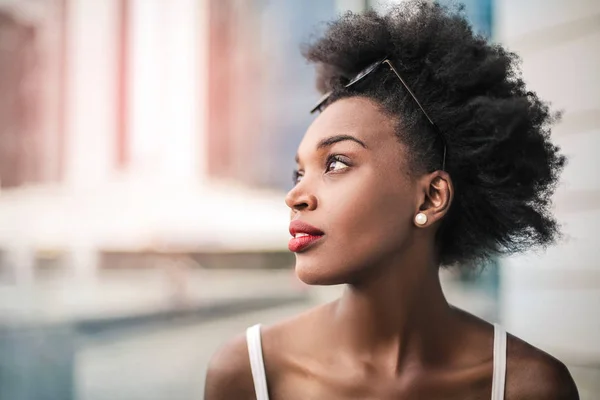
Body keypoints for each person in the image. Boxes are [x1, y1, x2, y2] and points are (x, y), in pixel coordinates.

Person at [204, 2, 579, 399]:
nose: (295, 196)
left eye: (335, 163)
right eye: (300, 172)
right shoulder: (248, 372)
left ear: (431, 197)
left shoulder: (529, 386)